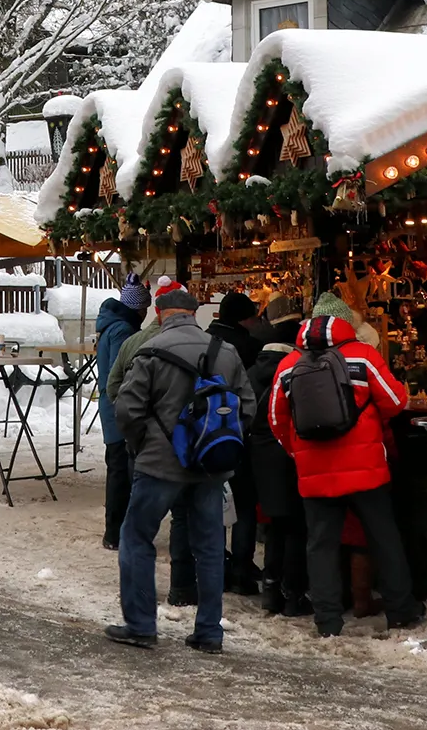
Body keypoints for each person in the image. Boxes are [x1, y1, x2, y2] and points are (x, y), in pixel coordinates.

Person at [108, 286, 255, 655]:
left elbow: (127, 408)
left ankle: (141, 626)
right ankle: (209, 632)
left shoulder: (150, 351)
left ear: (160, 315)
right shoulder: (226, 351)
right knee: (208, 547)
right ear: (195, 314)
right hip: (209, 468)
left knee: (137, 537)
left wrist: (143, 444)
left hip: (160, 465)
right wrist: (218, 447)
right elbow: (247, 407)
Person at [267, 314, 422, 636]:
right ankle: (400, 610)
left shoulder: (288, 364)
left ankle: (327, 621)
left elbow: (275, 419)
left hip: (314, 471)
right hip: (366, 468)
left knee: (320, 545)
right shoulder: (364, 355)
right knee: (383, 537)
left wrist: (298, 452)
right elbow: (395, 402)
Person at [106, 277, 198, 605]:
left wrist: (138, 430)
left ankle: (139, 604)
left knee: (140, 525)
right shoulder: (204, 344)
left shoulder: (135, 341)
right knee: (184, 519)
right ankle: (183, 590)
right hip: (188, 447)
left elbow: (114, 387)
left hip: (147, 448)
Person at [249, 295, 309, 617]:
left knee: (275, 525)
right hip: (289, 453)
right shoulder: (296, 371)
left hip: (261, 457)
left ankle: (271, 590)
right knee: (296, 527)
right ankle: (293, 594)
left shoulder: (252, 371)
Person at [207, 291, 264, 594]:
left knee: (212, 502)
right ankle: (241, 569)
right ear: (244, 318)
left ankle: (217, 564)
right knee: (243, 505)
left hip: (204, 435)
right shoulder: (250, 347)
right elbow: (250, 398)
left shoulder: (204, 341)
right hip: (238, 435)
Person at [93, 274, 150, 549]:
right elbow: (122, 370)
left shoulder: (110, 325)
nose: (146, 313)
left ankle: (115, 531)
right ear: (137, 309)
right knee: (120, 470)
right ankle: (115, 532)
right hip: (118, 407)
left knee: (117, 467)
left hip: (110, 405)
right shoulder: (123, 331)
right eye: (144, 309)